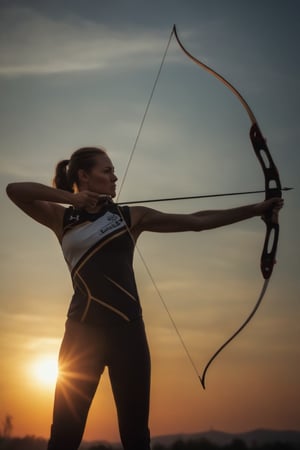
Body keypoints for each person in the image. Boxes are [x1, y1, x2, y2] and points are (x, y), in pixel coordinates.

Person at [6, 146, 283, 450]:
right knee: (64, 437)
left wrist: (257, 209)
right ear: (84, 176)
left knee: (136, 437)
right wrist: (72, 198)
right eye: (107, 171)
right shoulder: (62, 219)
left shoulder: (130, 217)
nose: (115, 177)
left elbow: (197, 221)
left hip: (128, 334)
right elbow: (14, 190)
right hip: (81, 337)